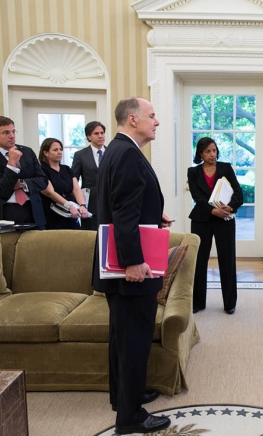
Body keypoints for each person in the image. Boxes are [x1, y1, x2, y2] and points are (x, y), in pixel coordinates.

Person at [92, 97, 173, 434]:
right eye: (151, 116)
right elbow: (123, 213)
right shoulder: (126, 154)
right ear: (132, 118)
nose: (156, 122)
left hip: (120, 265)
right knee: (135, 339)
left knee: (122, 338)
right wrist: (134, 262)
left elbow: (121, 204)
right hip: (129, 270)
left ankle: (124, 396)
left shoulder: (117, 149)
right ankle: (130, 417)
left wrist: (155, 216)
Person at [187, 137, 244, 314]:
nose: (213, 154)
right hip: (201, 220)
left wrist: (230, 207)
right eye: (208, 151)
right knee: (199, 261)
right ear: (200, 154)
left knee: (227, 260)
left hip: (224, 220)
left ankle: (229, 303)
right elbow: (197, 196)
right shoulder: (193, 172)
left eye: (214, 150)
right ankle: (198, 302)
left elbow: (238, 193)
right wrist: (213, 211)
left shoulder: (226, 168)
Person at [0, 116, 48, 229]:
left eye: (13, 131)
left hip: (32, 209)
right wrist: (12, 163)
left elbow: (43, 181)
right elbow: (2, 190)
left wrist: (21, 184)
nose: (12, 136)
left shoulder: (27, 152)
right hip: (4, 211)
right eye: (6, 132)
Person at [38, 138, 90, 229]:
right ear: (46, 153)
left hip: (71, 212)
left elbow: (76, 189)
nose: (59, 152)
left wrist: (82, 205)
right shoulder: (41, 170)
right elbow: (50, 192)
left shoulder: (66, 169)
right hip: (53, 212)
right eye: (55, 150)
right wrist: (68, 205)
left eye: (60, 149)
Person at [72, 121, 106, 230]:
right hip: (90, 203)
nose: (100, 136)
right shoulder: (80, 155)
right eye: (96, 133)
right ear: (89, 137)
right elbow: (74, 181)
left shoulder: (112, 152)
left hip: (110, 202)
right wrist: (79, 204)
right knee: (90, 237)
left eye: (102, 133)